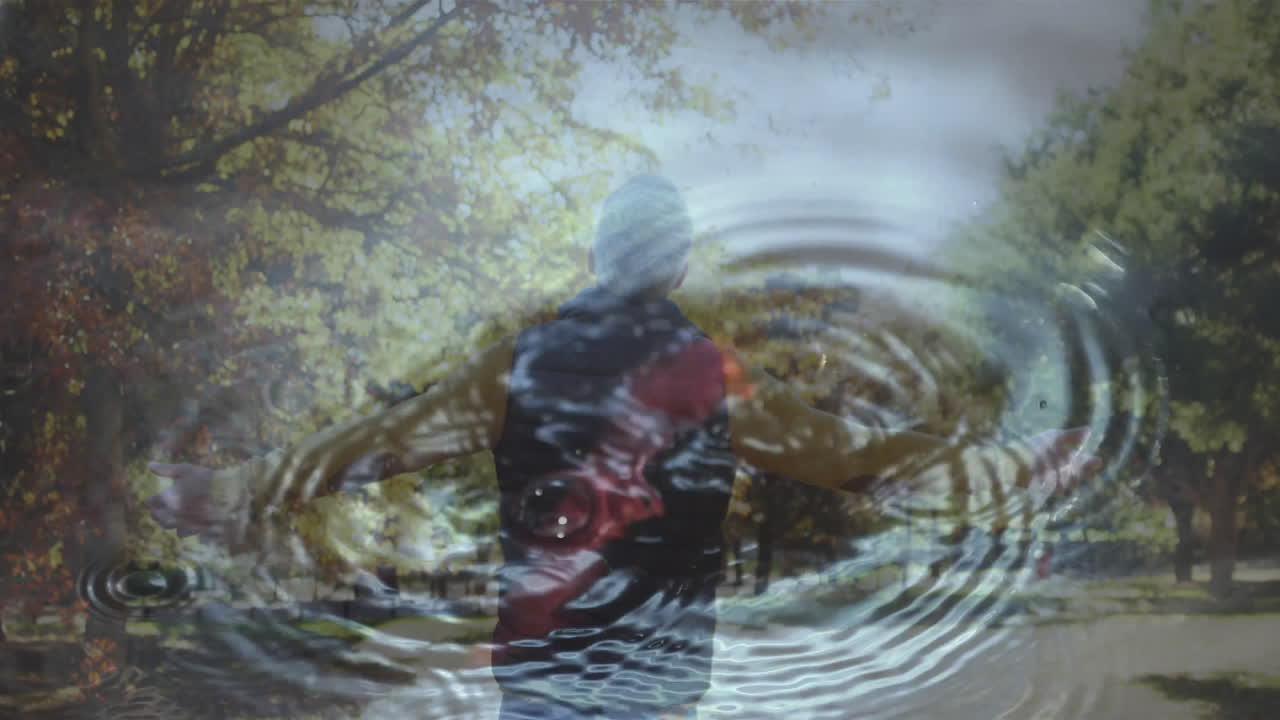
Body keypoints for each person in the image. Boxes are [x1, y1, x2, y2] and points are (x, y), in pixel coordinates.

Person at [147, 174, 1100, 719]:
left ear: (593, 261)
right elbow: (855, 455)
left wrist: (231, 492)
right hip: (658, 674)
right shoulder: (708, 374)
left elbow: (376, 446)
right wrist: (1007, 466)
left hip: (544, 670)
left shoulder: (515, 366)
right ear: (679, 266)